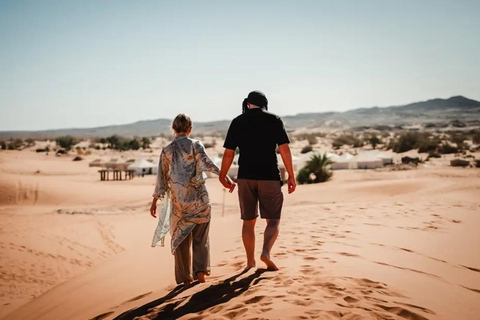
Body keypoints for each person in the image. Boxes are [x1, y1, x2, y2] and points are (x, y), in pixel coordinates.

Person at [150, 114, 235, 286]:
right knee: (201, 237)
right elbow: (208, 164)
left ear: (174, 129)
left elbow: (162, 179)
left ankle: (184, 278)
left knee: (181, 238)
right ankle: (201, 272)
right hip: (200, 200)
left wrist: (155, 201)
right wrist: (225, 177)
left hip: (179, 204)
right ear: (190, 128)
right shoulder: (196, 145)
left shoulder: (167, 150)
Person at [219, 91, 296, 271]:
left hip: (245, 177)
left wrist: (223, 175)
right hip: (269, 176)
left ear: (248, 104)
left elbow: (229, 153)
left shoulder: (238, 121)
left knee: (248, 221)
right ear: (264, 104)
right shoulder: (274, 120)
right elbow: (284, 149)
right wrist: (291, 175)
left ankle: (250, 262)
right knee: (273, 220)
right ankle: (266, 253)